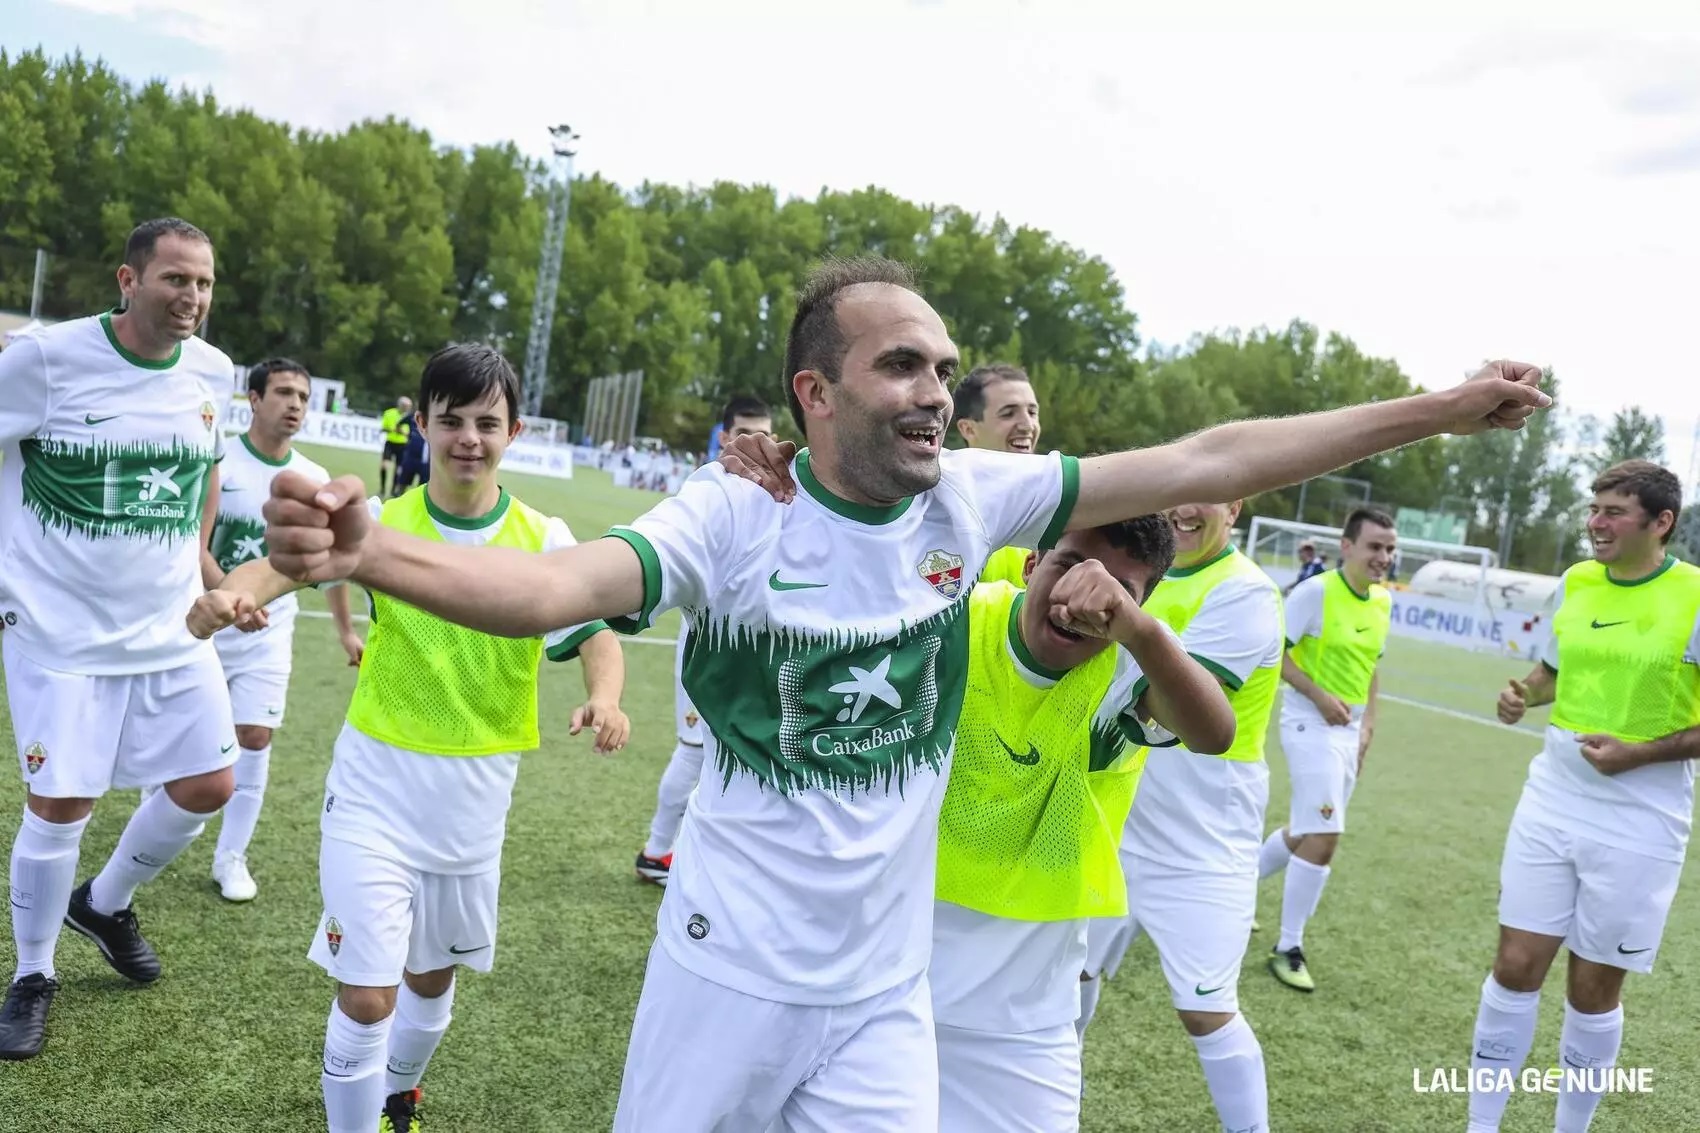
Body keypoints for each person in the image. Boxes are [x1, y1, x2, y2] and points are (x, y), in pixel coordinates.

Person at [258, 255, 1549, 1130]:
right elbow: (557, 589)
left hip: (886, 995)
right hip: (727, 977)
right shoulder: (732, 515)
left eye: (944, 367)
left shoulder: (971, 498)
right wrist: (368, 551)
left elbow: (1207, 455)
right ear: (817, 394)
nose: (936, 389)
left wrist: (1435, 410)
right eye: (902, 368)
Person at [189, 344, 631, 1133]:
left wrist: (606, 696)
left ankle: (400, 1092)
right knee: (367, 991)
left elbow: (596, 631)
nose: (468, 437)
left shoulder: (543, 535)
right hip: (374, 786)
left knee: (430, 982)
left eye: (486, 422)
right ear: (420, 422)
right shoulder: (383, 524)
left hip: (473, 805)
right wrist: (227, 598)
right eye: (451, 419)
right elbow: (280, 566)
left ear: (516, 430)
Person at [0, 217, 241, 1060]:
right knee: (62, 803)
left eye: (204, 283)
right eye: (176, 279)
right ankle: (34, 974)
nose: (193, 297)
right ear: (127, 280)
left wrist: (208, 569)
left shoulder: (213, 372)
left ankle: (102, 901)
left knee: (212, 782)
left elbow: (205, 471)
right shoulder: (43, 360)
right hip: (61, 633)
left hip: (171, 628)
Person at [928, 515, 1236, 1132]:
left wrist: (1142, 633)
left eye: (1118, 592)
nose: (1081, 601)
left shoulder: (1128, 668)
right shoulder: (952, 624)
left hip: (1023, 1016)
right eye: (1068, 565)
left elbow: (1214, 731)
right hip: (889, 983)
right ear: (1029, 564)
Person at [1466, 461, 1700, 1133]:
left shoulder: (1694, 595)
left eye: (1614, 511)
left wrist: (1641, 754)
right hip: (1553, 793)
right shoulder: (1576, 580)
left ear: (1661, 523)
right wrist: (1524, 694)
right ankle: (1482, 1125)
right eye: (1594, 508)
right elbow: (1553, 671)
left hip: (1645, 812)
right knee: (1515, 963)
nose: (1596, 522)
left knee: (1592, 988)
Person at [1079, 498, 1285, 1133]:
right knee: (1067, 974)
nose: (1187, 510)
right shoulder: (1144, 569)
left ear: (1236, 505)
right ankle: (1049, 1100)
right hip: (1112, 818)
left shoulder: (1246, 592)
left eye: (1209, 497)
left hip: (1201, 843)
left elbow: (1175, 710)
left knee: (1205, 1008)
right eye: (1179, 492)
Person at [200, 357, 365, 902]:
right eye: (284, 393)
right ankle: (178, 804)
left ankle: (232, 857)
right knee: (189, 743)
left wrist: (345, 631)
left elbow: (333, 564)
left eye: (303, 396)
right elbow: (194, 545)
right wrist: (232, 598)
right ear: (253, 399)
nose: (295, 405)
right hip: (207, 625)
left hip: (272, 633)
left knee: (256, 736)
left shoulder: (315, 480)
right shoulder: (218, 457)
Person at [635, 395, 776, 886]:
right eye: (743, 433)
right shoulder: (704, 491)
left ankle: (713, 860)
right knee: (695, 748)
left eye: (764, 432)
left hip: (756, 649)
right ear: (723, 436)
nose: (756, 443)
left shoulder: (776, 491)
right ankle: (656, 851)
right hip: (707, 646)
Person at [1257, 507, 1396, 993]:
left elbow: (1373, 666)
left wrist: (1368, 726)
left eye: (1390, 548)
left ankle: (1231, 894)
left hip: (1348, 730)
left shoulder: (1383, 602)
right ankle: (1287, 946)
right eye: (1375, 546)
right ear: (1348, 546)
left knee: (1306, 829)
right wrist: (1318, 696)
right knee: (1326, 832)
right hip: (1306, 722)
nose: (1384, 557)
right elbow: (1274, 653)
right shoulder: (1315, 592)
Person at [953, 363, 1044, 587]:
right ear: (968, 429)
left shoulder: (1055, 503)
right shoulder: (943, 507)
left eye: (1032, 412)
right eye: (1008, 413)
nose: (1027, 425)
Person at [378, 396, 413, 498]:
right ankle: (382, 489)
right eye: (405, 406)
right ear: (400, 405)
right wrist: (394, 430)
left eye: (408, 406)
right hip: (390, 443)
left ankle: (393, 490)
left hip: (403, 445)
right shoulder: (389, 413)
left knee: (398, 469)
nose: (407, 408)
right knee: (384, 466)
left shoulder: (410, 416)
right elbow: (384, 428)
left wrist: (404, 434)